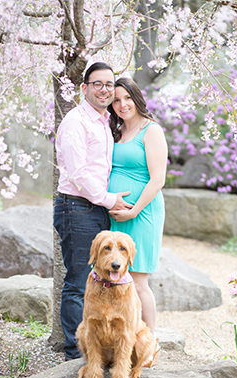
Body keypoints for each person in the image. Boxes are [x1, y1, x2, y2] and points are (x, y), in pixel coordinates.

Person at [54, 61, 133, 361]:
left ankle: (97, 348)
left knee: (98, 278)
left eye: (109, 85)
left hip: (95, 208)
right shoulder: (76, 122)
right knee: (77, 282)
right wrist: (109, 199)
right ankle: (76, 355)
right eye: (97, 84)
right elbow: (78, 174)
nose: (104, 89)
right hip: (77, 208)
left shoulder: (103, 121)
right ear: (84, 88)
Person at [105, 77, 168, 343]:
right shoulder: (116, 131)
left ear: (137, 97)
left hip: (141, 213)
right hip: (116, 214)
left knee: (138, 279)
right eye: (116, 100)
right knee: (117, 278)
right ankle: (124, 337)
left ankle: (148, 342)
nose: (122, 104)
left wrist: (133, 211)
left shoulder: (150, 130)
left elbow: (158, 179)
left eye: (127, 98)